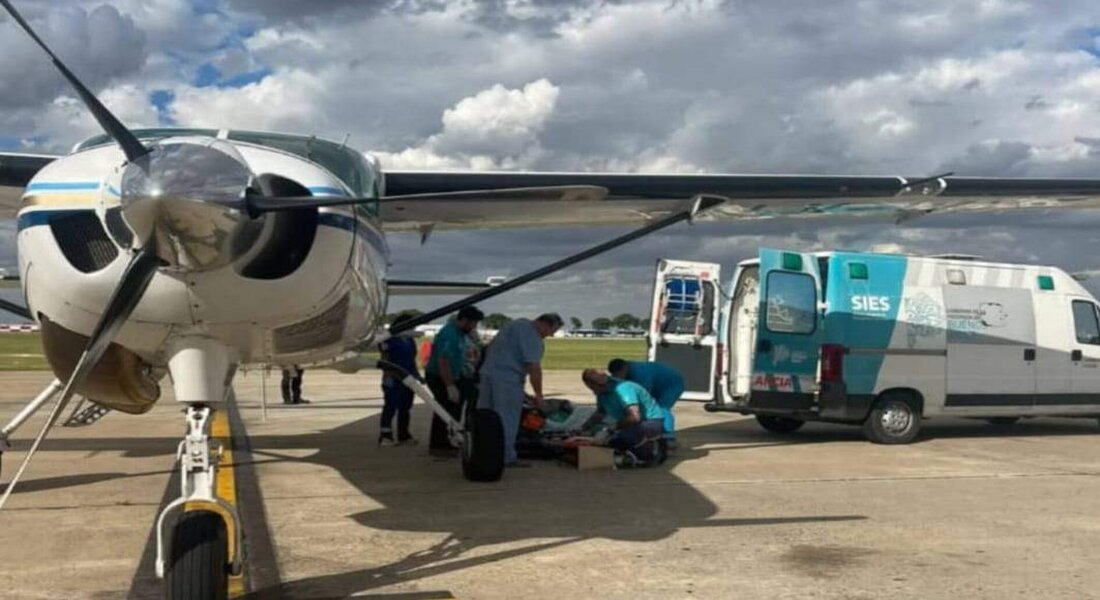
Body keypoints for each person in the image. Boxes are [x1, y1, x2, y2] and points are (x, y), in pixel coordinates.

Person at [478, 313, 563, 466]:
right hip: (509, 379)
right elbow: (534, 368)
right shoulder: (533, 338)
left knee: (485, 417)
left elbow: (490, 347)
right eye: (551, 331)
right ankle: (506, 457)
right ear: (545, 324)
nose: (549, 335)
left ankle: (481, 453)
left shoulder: (515, 324)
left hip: (488, 374)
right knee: (507, 419)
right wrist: (539, 396)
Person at [425, 306, 485, 452]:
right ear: (464, 320)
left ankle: (447, 439)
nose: (474, 327)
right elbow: (443, 362)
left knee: (453, 408)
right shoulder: (449, 335)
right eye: (473, 324)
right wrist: (450, 385)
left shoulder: (459, 333)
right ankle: (439, 444)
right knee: (444, 408)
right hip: (440, 376)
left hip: (452, 375)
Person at [580, 369, 667, 466]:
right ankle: (627, 453)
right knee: (602, 438)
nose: (594, 392)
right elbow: (600, 414)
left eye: (594, 388)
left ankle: (650, 453)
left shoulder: (623, 389)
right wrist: (582, 429)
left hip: (650, 422)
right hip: (631, 424)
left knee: (623, 438)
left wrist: (610, 429)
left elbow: (635, 417)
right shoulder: (601, 392)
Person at [608, 358, 684, 445]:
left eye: (619, 374)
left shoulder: (641, 374)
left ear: (625, 368)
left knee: (661, 408)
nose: (618, 378)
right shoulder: (626, 372)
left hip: (672, 384)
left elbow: (644, 397)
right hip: (657, 384)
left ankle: (669, 437)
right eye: (615, 375)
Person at [378, 314, 420, 447]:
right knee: (390, 406)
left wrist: (417, 375)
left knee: (405, 407)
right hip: (393, 377)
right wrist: (387, 374)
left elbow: (412, 359)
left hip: (408, 377)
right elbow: (384, 357)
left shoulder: (409, 339)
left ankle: (404, 435)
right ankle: (385, 435)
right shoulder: (389, 339)